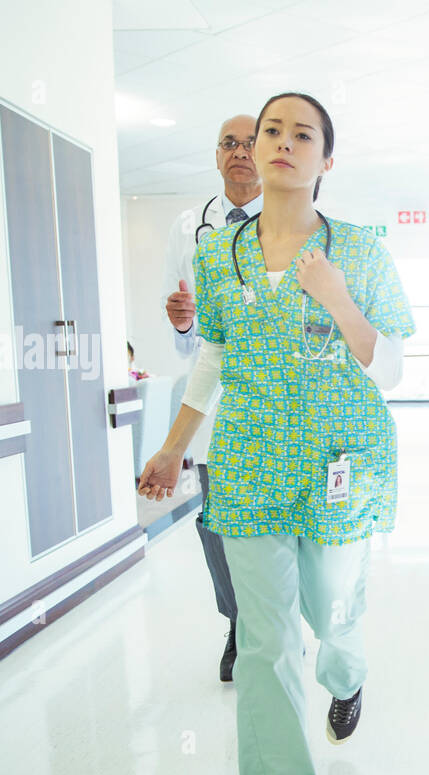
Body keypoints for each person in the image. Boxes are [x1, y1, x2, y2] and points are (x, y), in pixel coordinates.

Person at [138, 92, 413, 775]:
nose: (283, 143)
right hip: (251, 461)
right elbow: (213, 359)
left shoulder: (359, 250)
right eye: (271, 132)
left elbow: (389, 364)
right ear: (251, 151)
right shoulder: (217, 258)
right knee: (265, 642)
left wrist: (338, 300)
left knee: (330, 610)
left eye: (304, 134)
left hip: (340, 464)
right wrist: (170, 448)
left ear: (327, 160)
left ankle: (348, 670)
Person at [161, 115, 264, 683]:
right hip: (211, 410)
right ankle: (239, 623)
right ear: (216, 154)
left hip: (275, 405)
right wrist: (179, 324)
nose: (241, 152)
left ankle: (270, 621)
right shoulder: (188, 229)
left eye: (252, 142)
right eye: (229, 143)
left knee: (276, 526)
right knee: (217, 522)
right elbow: (190, 346)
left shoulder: (289, 222)